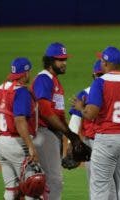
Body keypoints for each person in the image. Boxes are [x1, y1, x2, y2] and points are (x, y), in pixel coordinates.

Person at [71, 46, 120, 200]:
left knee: (99, 188)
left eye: (101, 60)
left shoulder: (100, 82)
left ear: (105, 63)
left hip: (107, 140)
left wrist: (81, 107)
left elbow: (90, 114)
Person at [0, 57, 39, 200]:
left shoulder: (0, 89)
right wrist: (30, 146)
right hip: (17, 146)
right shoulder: (21, 92)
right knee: (33, 186)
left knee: (11, 189)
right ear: (25, 73)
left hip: (0, 146)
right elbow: (20, 120)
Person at [31, 42, 82, 200]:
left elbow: (59, 116)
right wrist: (70, 135)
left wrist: (70, 136)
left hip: (53, 135)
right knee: (54, 181)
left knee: (47, 180)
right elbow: (45, 112)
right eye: (60, 60)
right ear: (50, 61)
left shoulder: (55, 82)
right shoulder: (44, 79)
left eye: (65, 59)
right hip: (43, 133)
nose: (64, 63)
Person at [68, 60, 117, 200]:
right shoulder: (117, 91)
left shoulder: (85, 93)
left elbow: (74, 122)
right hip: (114, 141)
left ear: (93, 75)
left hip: (94, 145)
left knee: (97, 185)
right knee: (115, 183)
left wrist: (72, 144)